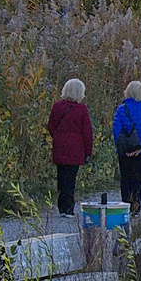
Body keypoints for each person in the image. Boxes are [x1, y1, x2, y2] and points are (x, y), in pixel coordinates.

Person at [46, 78, 94, 216]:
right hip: (76, 147)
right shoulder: (81, 109)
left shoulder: (57, 106)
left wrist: (57, 136)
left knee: (61, 176)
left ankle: (62, 207)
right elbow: (87, 132)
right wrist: (88, 151)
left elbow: (51, 125)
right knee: (71, 177)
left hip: (60, 145)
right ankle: (68, 208)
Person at [111, 80, 141, 216]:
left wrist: (123, 147)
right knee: (137, 178)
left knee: (125, 177)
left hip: (124, 151)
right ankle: (136, 207)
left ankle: (125, 206)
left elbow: (116, 130)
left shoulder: (121, 109)